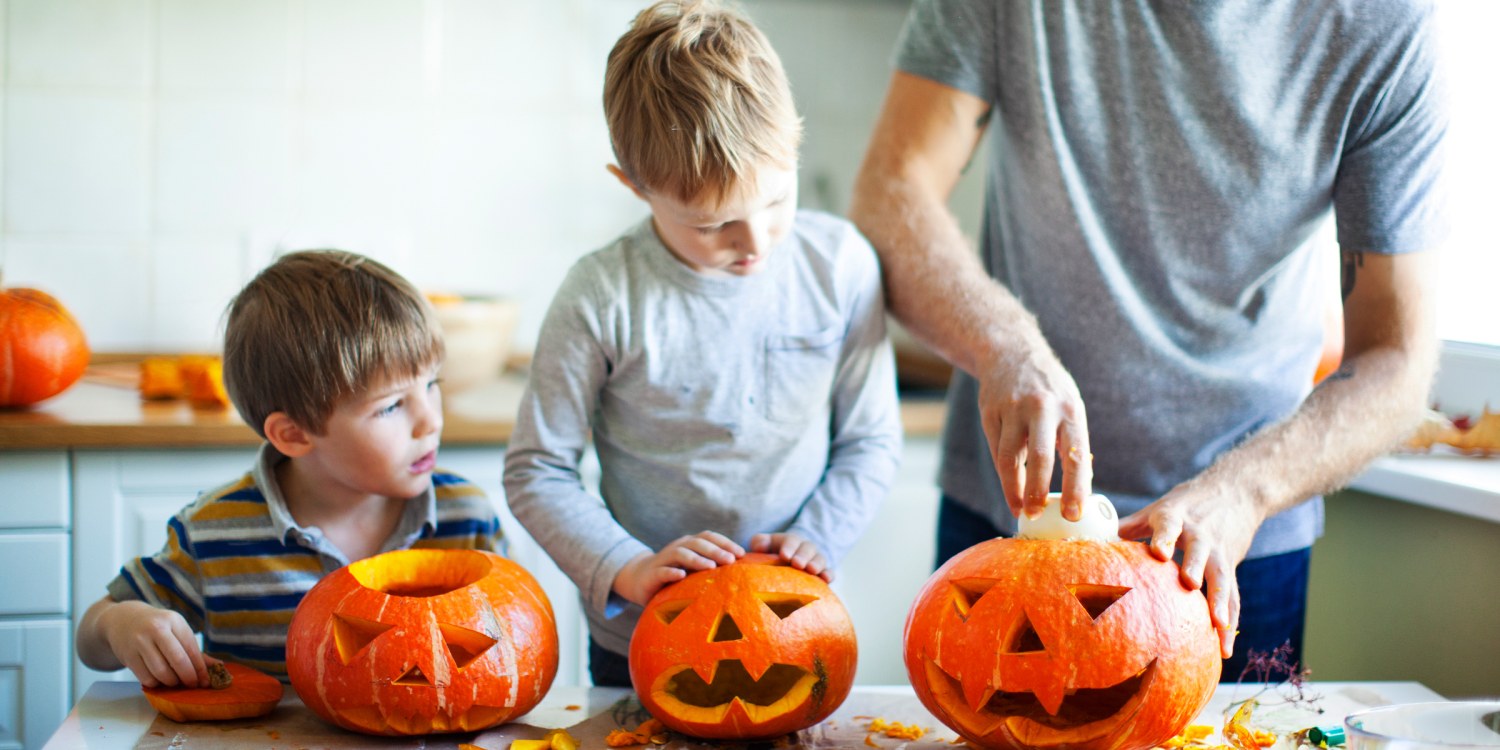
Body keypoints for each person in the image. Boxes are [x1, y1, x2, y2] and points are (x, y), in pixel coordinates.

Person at [850, 0, 1446, 679]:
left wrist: (1241, 493)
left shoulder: (1386, 23)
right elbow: (891, 192)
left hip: (1236, 544)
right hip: (1011, 520)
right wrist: (1005, 344)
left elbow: (1396, 359)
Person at [503, 0, 903, 688]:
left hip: (793, 623)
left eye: (776, 202)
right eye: (714, 225)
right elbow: (536, 469)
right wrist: (627, 568)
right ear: (634, 187)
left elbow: (870, 441)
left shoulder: (840, 266)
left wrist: (821, 536)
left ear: (794, 143)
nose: (754, 244)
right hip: (638, 635)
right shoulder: (601, 294)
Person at [75, 250, 502, 687]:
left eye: (432, 385)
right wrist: (121, 624)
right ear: (294, 435)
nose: (431, 419)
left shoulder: (465, 518)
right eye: (391, 406)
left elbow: (507, 649)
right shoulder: (214, 532)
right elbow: (91, 641)